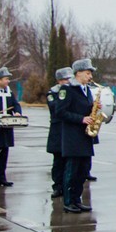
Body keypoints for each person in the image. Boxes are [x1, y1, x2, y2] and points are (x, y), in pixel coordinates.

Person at [56, 58, 100, 213]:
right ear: (78, 73)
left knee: (83, 170)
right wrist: (81, 119)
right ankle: (69, 201)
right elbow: (60, 112)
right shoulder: (67, 89)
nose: (90, 77)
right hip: (73, 137)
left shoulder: (86, 89)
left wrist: (94, 107)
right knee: (72, 171)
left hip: (85, 137)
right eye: (87, 73)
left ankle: (77, 199)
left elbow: (84, 108)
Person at [45, 67, 73, 198]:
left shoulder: (73, 91)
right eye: (65, 79)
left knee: (70, 162)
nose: (68, 82)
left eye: (69, 79)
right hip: (58, 130)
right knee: (58, 161)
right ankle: (57, 186)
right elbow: (55, 108)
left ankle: (68, 187)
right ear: (59, 81)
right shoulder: (52, 93)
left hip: (70, 129)